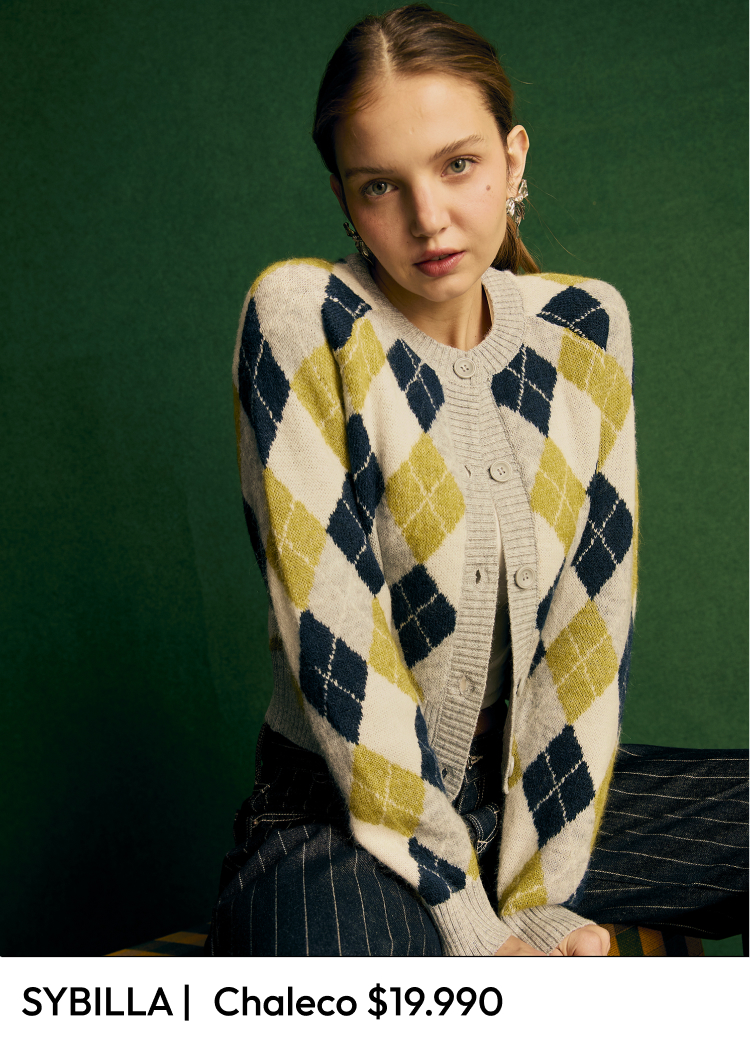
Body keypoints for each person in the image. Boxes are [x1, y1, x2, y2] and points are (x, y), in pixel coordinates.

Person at [206, 4, 747, 956]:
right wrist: (476, 932)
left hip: (539, 807)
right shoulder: (305, 320)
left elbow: (590, 631)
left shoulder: (585, 330)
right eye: (382, 186)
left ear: (513, 157)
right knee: (364, 974)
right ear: (345, 199)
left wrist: (539, 901)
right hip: (340, 817)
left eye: (458, 165)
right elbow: (339, 647)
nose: (428, 219)